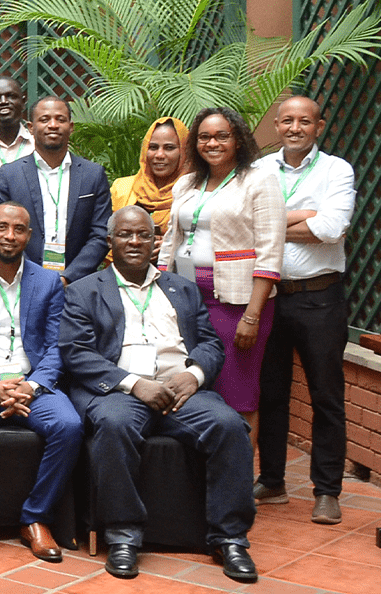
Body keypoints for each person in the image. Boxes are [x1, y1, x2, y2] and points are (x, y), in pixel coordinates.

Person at [63, 206, 257, 583]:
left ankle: (230, 537)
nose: (134, 242)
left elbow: (210, 345)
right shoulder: (86, 290)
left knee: (230, 427)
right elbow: (76, 353)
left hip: (179, 388)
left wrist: (194, 374)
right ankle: (123, 537)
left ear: (155, 243)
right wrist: (135, 384)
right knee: (115, 425)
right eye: (125, 235)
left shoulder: (181, 288)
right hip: (121, 388)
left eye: (143, 235)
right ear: (110, 242)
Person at [0, 202, 80, 563]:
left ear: (29, 236)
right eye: (2, 227)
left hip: (34, 385)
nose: (9, 235)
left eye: (18, 229)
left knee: (69, 426)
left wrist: (32, 386)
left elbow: (57, 346)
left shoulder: (50, 282)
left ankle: (35, 518)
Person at [253, 96, 355, 525]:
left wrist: (273, 224)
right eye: (288, 121)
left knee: (326, 396)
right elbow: (246, 223)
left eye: (305, 121)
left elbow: (332, 228)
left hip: (320, 298)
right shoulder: (259, 170)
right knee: (271, 393)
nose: (295, 128)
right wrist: (302, 217)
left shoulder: (337, 170)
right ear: (277, 125)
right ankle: (272, 480)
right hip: (271, 295)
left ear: (319, 126)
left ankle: (327, 490)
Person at [159, 108, 284, 434]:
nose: (212, 143)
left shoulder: (260, 181)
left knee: (238, 392)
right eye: (204, 137)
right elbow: (172, 240)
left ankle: (238, 479)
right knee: (197, 385)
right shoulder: (187, 182)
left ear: (238, 140)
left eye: (221, 136)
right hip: (186, 298)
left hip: (236, 304)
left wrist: (252, 316)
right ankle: (201, 478)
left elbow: (271, 254)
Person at [0, 97, 111, 283]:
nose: (53, 125)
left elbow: (100, 233)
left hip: (79, 283)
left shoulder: (93, 174)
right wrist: (34, 277)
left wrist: (68, 277)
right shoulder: (9, 175)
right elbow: (1, 232)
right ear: (30, 127)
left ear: (71, 127)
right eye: (44, 119)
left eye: (60, 120)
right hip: (23, 281)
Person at [109, 118, 187, 233]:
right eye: (153, 147)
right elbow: (105, 234)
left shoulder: (193, 193)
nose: (159, 155)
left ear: (184, 152)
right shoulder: (122, 188)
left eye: (169, 148)